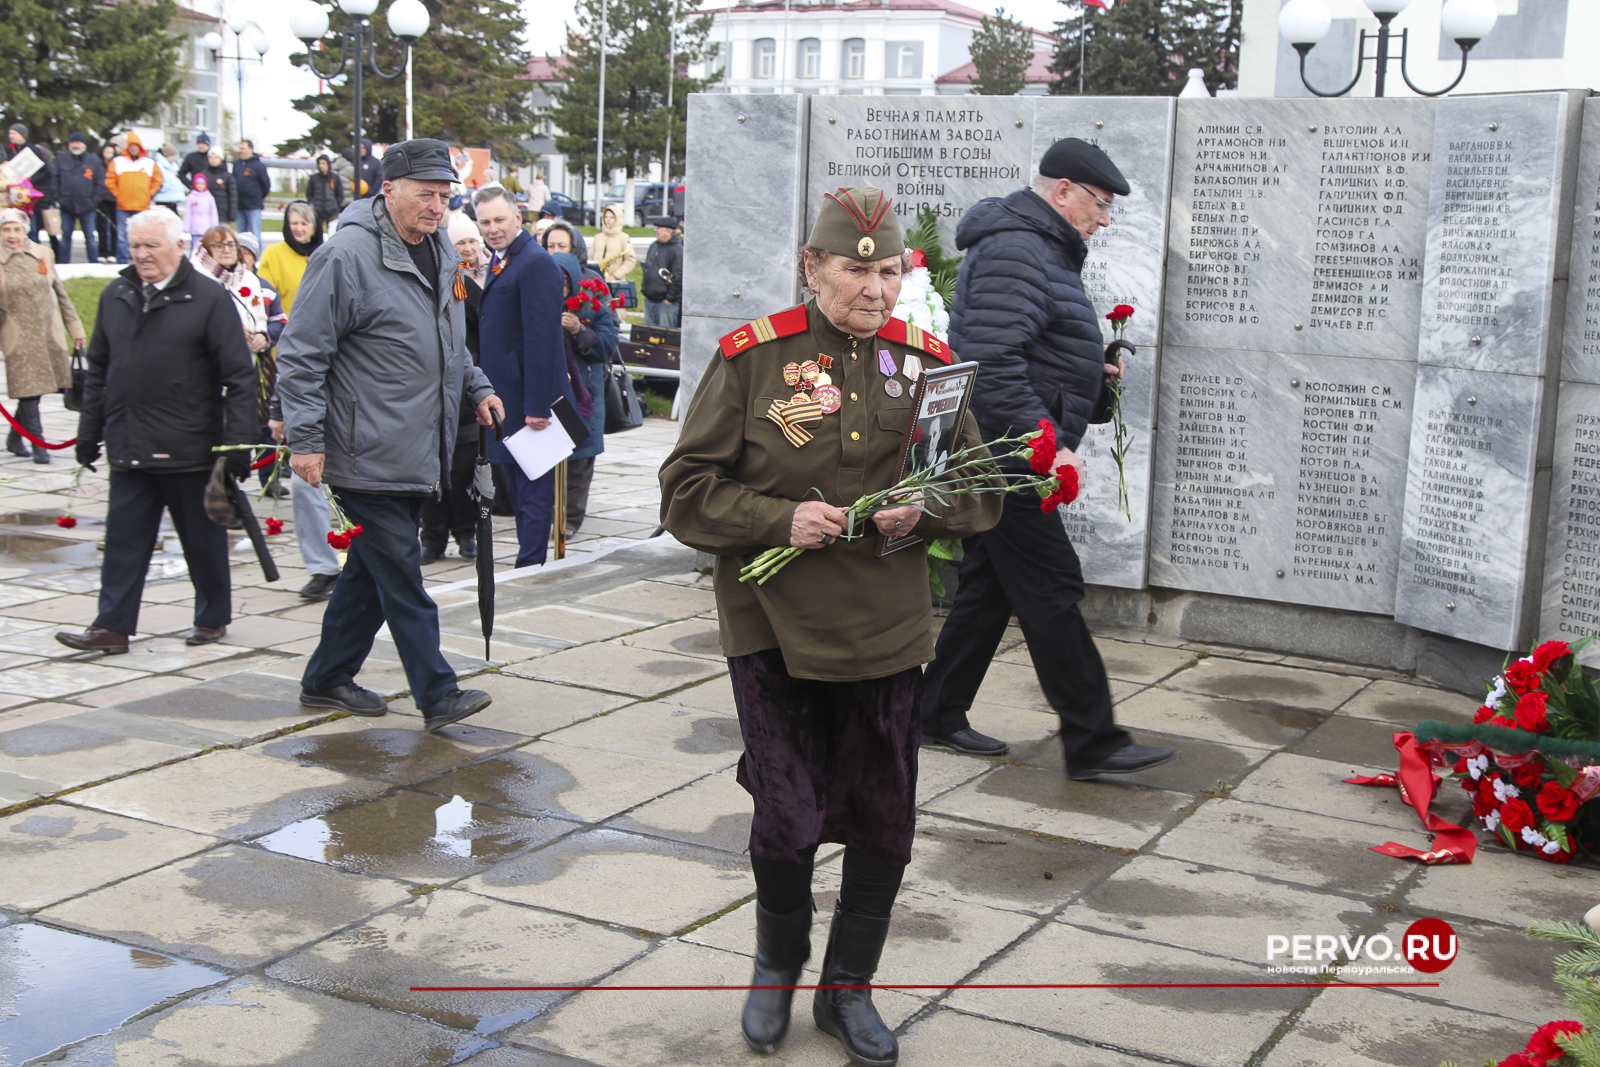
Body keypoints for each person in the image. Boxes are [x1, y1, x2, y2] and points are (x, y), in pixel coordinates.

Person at [660, 186, 1000, 1067]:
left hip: (885, 625)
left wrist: (922, 512)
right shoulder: (753, 359)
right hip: (773, 620)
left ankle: (848, 990)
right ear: (813, 267)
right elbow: (685, 490)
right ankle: (777, 967)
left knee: (884, 811)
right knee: (790, 806)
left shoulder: (925, 362)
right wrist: (779, 520)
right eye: (856, 269)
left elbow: (980, 490)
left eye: (889, 271)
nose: (876, 289)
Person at [919, 138, 1177, 780]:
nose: (1106, 217)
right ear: (1061, 191)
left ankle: (934, 713)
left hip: (1011, 445)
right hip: (1008, 452)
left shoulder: (1038, 245)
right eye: (1100, 201)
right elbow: (993, 363)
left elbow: (1036, 349)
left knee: (989, 588)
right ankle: (1093, 741)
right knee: (1052, 584)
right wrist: (1047, 444)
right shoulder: (1015, 246)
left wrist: (1094, 377)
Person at [277, 138, 504, 731]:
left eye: (445, 195)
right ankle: (438, 692)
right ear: (389, 191)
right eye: (425, 195)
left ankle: (326, 677)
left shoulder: (439, 252)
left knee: (370, 576)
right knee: (401, 571)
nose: (437, 206)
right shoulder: (346, 256)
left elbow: (448, 341)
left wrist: (476, 387)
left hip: (417, 447)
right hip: (362, 448)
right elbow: (301, 354)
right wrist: (304, 440)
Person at [57, 208, 256, 654]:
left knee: (202, 541)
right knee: (124, 542)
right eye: (136, 246)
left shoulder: (208, 299)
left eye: (153, 245)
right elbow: (100, 371)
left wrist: (238, 445)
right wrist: (89, 434)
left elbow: (239, 377)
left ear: (179, 246)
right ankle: (112, 627)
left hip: (190, 446)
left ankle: (211, 616)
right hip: (129, 443)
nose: (143, 255)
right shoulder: (116, 294)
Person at [474, 183, 569, 569]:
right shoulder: (506, 259)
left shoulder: (534, 263)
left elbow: (543, 340)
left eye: (499, 219)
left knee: (532, 490)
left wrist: (537, 407)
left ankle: (530, 564)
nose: (492, 228)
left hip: (527, 400)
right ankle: (528, 558)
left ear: (518, 216)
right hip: (507, 395)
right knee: (516, 485)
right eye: (484, 222)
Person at [418, 212, 490, 564]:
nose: (466, 249)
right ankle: (432, 538)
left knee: (463, 473)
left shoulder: (470, 286)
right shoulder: (433, 282)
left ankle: (465, 534)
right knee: (432, 475)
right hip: (432, 392)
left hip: (463, 389)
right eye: (458, 243)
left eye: (470, 241)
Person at [0, 208, 84, 464]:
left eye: (17, 228)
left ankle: (16, 438)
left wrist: (76, 329)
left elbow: (59, 293)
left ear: (26, 228)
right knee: (28, 388)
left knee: (36, 390)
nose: (12, 235)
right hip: (17, 335)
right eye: (6, 229)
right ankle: (39, 445)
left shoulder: (43, 253)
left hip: (49, 332)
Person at [551, 251, 613, 536]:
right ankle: (546, 514)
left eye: (565, 281)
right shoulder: (539, 301)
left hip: (583, 392)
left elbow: (607, 345)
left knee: (579, 460)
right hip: (551, 390)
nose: (561, 286)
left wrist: (578, 331)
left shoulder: (592, 302)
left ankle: (569, 521)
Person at [105, 134, 162, 263]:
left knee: (142, 236)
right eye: (131, 146)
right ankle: (122, 260)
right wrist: (118, 194)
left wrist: (149, 193)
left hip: (142, 206)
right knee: (122, 236)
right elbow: (110, 180)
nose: (133, 149)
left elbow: (158, 181)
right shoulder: (118, 162)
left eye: (136, 146)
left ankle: (142, 260)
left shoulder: (148, 163)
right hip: (123, 205)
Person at [257, 200, 320, 314]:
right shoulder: (273, 254)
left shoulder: (325, 255)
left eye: (304, 224)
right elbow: (264, 295)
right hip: (285, 326)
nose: (299, 229)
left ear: (314, 228)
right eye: (294, 223)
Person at [55, 133, 103, 264]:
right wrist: (60, 198)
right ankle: (63, 263)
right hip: (67, 206)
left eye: (78, 142)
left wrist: (94, 201)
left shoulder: (94, 161)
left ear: (84, 145)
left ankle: (94, 263)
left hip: (88, 206)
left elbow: (99, 182)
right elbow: (55, 180)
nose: (75, 145)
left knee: (90, 237)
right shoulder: (62, 160)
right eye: (72, 142)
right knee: (65, 236)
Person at [641, 215, 682, 328]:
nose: (655, 230)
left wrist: (669, 299)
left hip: (666, 304)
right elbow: (647, 269)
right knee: (647, 338)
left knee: (665, 338)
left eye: (659, 227)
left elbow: (678, 277)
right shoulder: (653, 246)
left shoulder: (677, 250)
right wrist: (644, 291)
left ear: (668, 231)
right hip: (649, 300)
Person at [232, 140, 271, 249]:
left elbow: (266, 185)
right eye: (240, 148)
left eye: (243, 148)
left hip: (253, 206)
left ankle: (258, 261)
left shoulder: (259, 166)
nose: (240, 151)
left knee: (255, 234)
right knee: (241, 236)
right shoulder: (236, 165)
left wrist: (257, 197)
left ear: (250, 149)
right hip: (239, 206)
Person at [591, 204, 636, 284]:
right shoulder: (598, 237)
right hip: (596, 281)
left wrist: (615, 276)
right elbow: (590, 259)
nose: (608, 220)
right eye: (606, 217)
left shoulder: (624, 238)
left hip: (616, 282)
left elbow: (630, 261)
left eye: (612, 217)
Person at [306, 155, 344, 234]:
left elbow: (340, 194)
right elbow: (309, 193)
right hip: (317, 211)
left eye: (323, 163)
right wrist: (312, 204)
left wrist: (336, 206)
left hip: (332, 211)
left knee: (332, 234)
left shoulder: (335, 178)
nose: (321, 166)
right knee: (316, 234)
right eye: (320, 163)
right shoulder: (314, 178)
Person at [94, 144, 118, 263]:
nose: (108, 155)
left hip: (115, 199)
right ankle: (102, 251)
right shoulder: (98, 165)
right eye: (106, 152)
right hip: (101, 199)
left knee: (114, 227)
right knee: (102, 227)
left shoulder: (117, 165)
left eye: (111, 152)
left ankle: (113, 252)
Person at [182, 174, 218, 250]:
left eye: (202, 184)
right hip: (195, 227)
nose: (200, 186)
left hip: (206, 227)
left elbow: (213, 213)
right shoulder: (191, 197)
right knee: (195, 247)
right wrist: (186, 227)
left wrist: (214, 227)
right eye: (198, 184)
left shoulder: (209, 197)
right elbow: (188, 213)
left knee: (206, 247)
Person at [204, 148, 235, 225]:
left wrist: (231, 215)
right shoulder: (204, 174)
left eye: (216, 157)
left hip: (222, 215)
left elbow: (233, 196)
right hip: (206, 214)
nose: (213, 160)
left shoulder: (227, 176)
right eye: (211, 157)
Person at [152, 143, 184, 216]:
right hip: (163, 198)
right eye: (172, 155)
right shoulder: (159, 166)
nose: (174, 157)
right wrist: (164, 189)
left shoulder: (173, 166)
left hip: (172, 198)